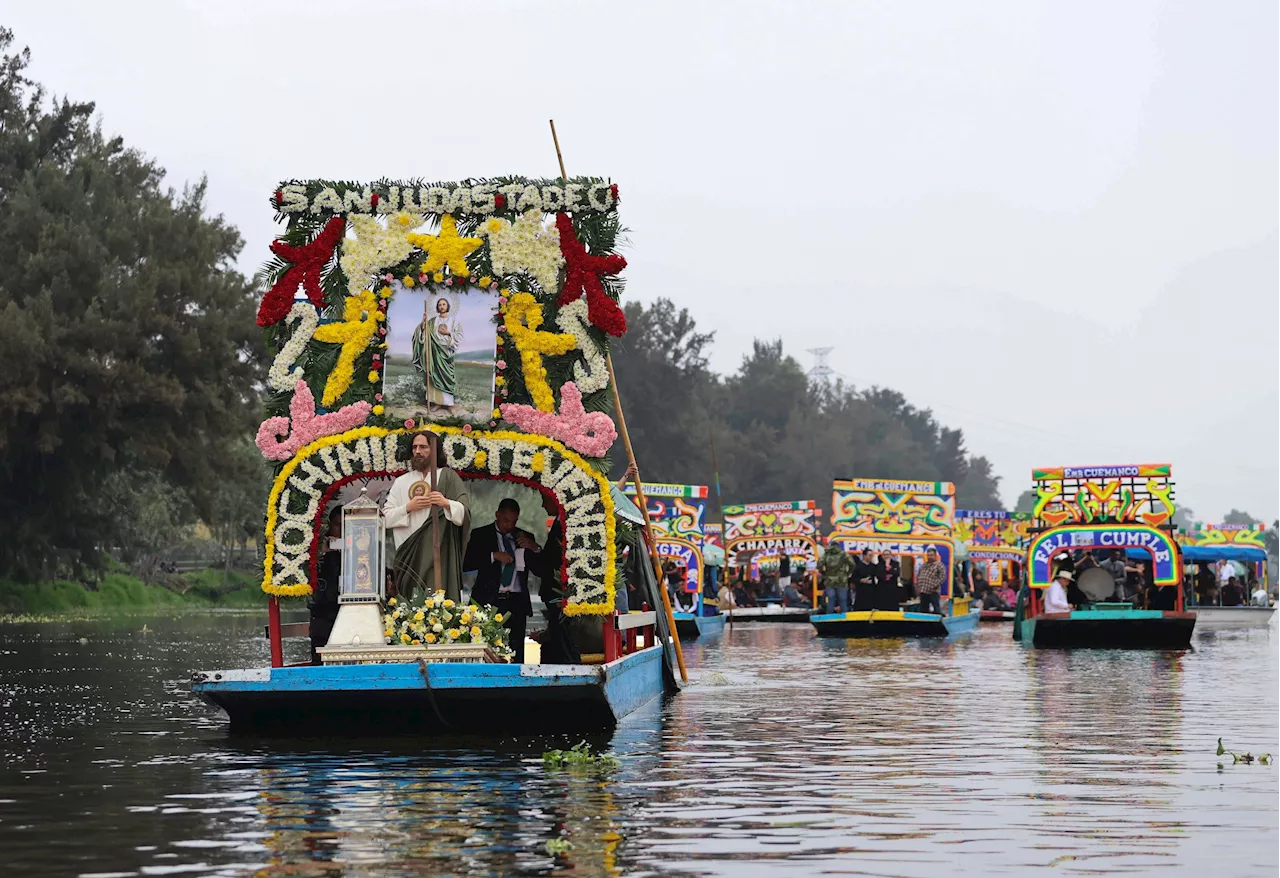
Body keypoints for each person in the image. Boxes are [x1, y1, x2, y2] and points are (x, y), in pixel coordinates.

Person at [384, 431, 471, 603]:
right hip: (409, 556)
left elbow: (464, 512)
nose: (417, 451)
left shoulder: (448, 477)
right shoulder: (401, 482)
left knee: (436, 601)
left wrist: (445, 502)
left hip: (438, 554)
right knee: (411, 607)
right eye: (415, 447)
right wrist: (408, 508)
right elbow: (385, 518)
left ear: (435, 450)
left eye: (423, 447)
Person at [465, 498, 543, 664]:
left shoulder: (525, 536)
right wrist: (493, 556)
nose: (509, 526)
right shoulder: (481, 534)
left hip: (516, 602)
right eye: (506, 521)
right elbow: (467, 563)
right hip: (489, 600)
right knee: (487, 648)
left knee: (516, 651)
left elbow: (540, 570)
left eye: (513, 522)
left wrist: (534, 548)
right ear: (497, 515)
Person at [529, 493, 578, 664]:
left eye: (545, 501)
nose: (543, 506)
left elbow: (551, 563)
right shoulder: (558, 523)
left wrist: (534, 548)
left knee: (562, 642)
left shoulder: (565, 525)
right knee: (554, 639)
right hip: (554, 595)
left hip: (561, 595)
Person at [412, 296, 462, 413]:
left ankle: (449, 404)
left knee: (447, 377)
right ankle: (438, 403)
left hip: (446, 352)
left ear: (448, 306)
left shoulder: (454, 321)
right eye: (439, 305)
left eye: (444, 304)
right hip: (434, 353)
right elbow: (423, 334)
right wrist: (423, 323)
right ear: (437, 307)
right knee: (434, 376)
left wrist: (448, 332)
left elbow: (459, 336)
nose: (441, 306)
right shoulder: (432, 321)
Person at [309, 505, 343, 664]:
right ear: (329, 525)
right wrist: (323, 551)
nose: (342, 530)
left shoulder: (359, 548)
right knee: (319, 656)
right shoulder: (319, 547)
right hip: (323, 611)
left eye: (346, 526)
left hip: (347, 609)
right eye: (337, 525)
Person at [818, 544, 853, 614]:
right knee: (843, 601)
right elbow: (852, 564)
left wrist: (824, 573)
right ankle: (844, 620)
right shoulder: (844, 554)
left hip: (829, 581)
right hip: (842, 580)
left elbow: (819, 565)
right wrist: (847, 573)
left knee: (831, 601)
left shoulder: (826, 555)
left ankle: (829, 620)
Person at [915, 546, 947, 615]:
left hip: (933, 591)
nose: (930, 557)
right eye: (928, 555)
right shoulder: (923, 565)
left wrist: (934, 585)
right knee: (923, 609)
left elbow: (942, 577)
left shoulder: (939, 565)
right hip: (923, 591)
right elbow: (919, 576)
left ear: (935, 555)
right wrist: (918, 587)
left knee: (936, 609)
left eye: (931, 555)